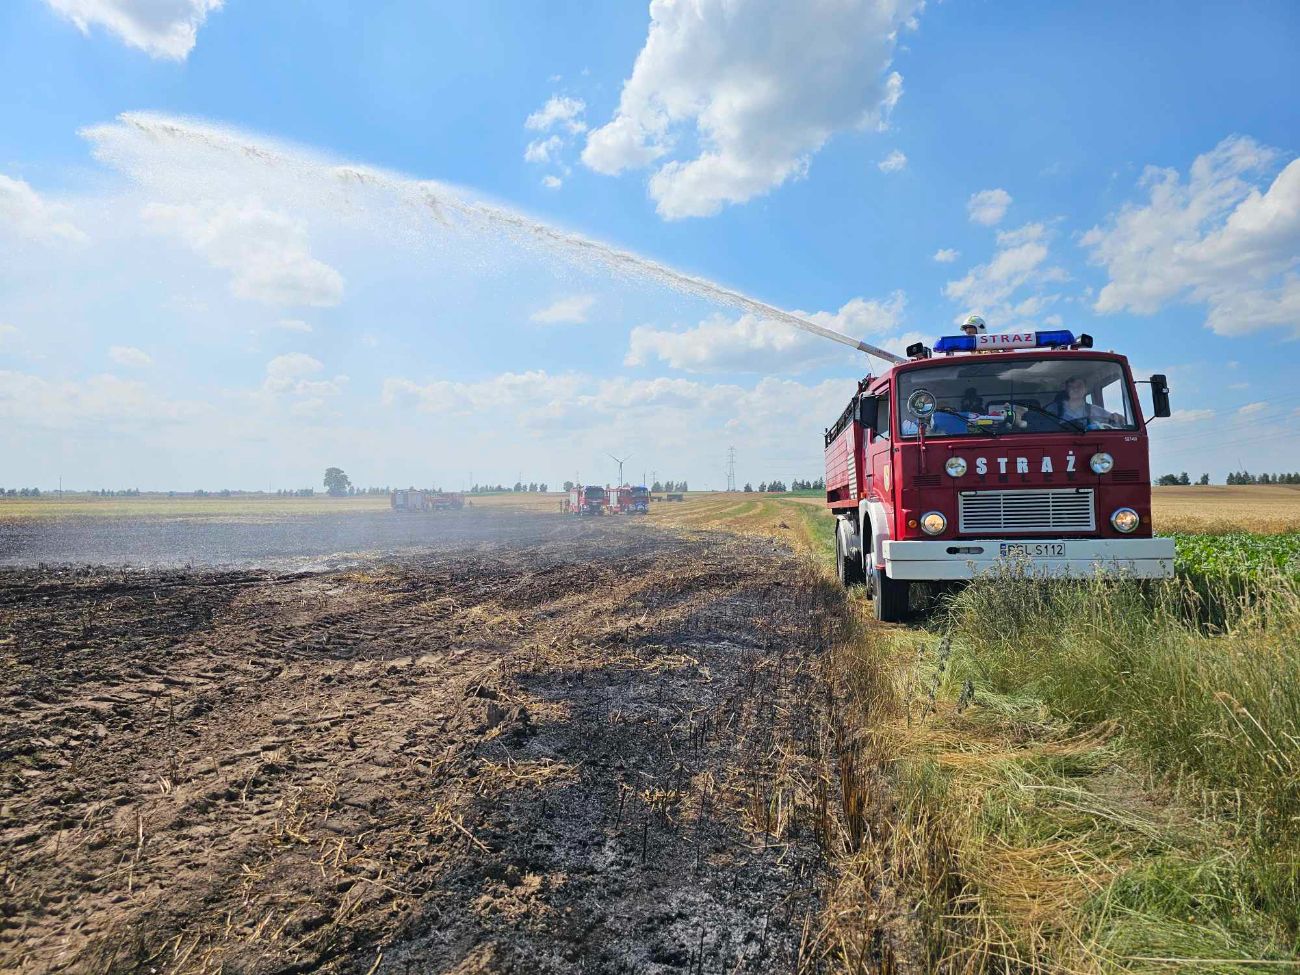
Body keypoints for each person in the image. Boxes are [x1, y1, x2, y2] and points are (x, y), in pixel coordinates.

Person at [1051, 376, 1125, 426]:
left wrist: (1117, 417)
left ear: (1086, 389)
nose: (1075, 389)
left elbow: (1113, 420)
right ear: (1067, 390)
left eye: (1079, 386)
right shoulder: (1052, 409)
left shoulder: (1096, 410)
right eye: (1071, 386)